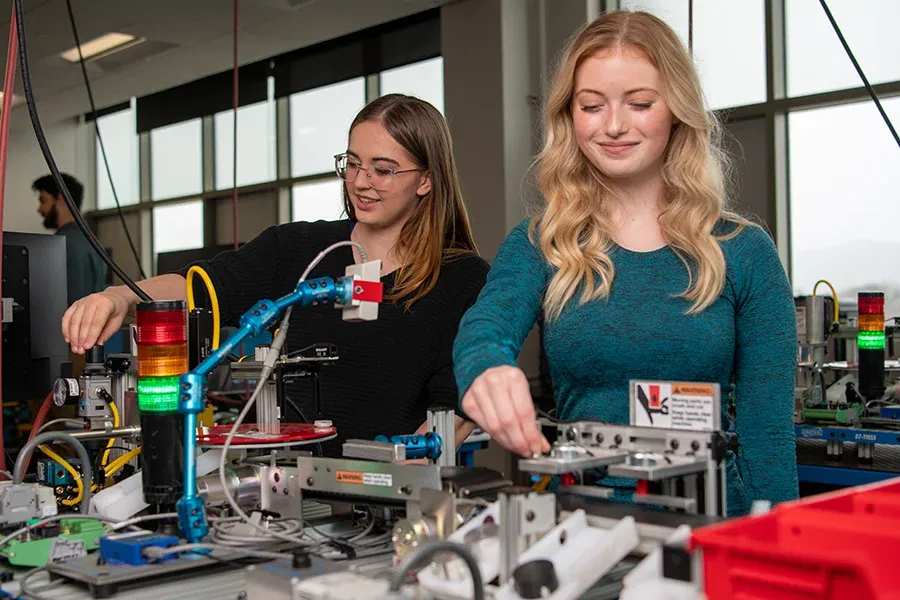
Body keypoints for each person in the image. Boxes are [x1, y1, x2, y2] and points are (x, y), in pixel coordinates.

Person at [452, 11, 798, 516]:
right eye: (592, 106)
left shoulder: (743, 252)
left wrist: (778, 555)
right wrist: (485, 367)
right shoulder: (542, 242)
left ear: (675, 110)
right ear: (569, 116)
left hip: (714, 530)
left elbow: (768, 438)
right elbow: (486, 324)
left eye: (639, 103)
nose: (614, 125)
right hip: (585, 528)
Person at [61, 94, 488, 455]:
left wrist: (386, 478)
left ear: (426, 180)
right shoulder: (296, 249)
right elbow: (201, 288)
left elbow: (453, 412)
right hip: (285, 489)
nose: (360, 182)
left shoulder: (461, 279)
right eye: (353, 163)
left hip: (390, 501)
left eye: (383, 169)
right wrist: (120, 296)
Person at [34, 173, 108, 305]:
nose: (40, 209)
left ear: (61, 198)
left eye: (43, 200)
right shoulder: (91, 241)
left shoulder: (60, 245)